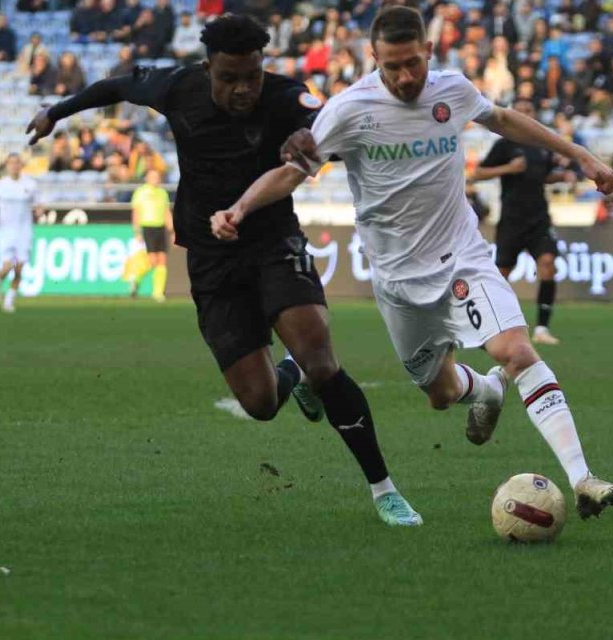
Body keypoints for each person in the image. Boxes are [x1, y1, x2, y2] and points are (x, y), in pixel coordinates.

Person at [214, 6, 613, 519]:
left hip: (462, 259)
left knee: (516, 350)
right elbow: (291, 173)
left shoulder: (451, 89)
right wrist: (240, 208)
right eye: (394, 67)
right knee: (441, 392)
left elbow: (500, 118)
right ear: (374, 59)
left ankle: (582, 478)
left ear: (429, 51)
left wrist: (581, 155)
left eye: (414, 63)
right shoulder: (349, 110)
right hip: (397, 283)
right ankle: (485, 390)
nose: (407, 77)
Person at [26, 14, 419, 527]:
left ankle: (384, 490)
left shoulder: (285, 96)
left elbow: (325, 123)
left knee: (321, 355)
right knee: (259, 402)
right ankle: (290, 373)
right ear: (208, 67)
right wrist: (56, 111)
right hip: (210, 256)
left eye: (252, 76)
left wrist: (310, 136)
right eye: (229, 77)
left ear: (263, 66)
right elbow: (118, 84)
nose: (242, 89)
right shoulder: (176, 86)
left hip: (273, 238)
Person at [469, 97, 571, 346]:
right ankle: (487, 327)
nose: (525, 114)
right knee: (501, 275)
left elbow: (543, 176)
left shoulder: (543, 146)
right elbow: (478, 174)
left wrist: (559, 177)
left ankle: (542, 328)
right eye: (520, 111)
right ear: (513, 114)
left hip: (539, 219)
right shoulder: (504, 146)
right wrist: (508, 169)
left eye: (529, 110)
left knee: (548, 264)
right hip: (512, 220)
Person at [0, 155, 42, 313]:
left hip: (24, 231)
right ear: (7, 166)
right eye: (11, 163)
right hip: (6, 231)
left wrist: (39, 210)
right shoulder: (0, 185)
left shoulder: (30, 184)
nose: (14, 166)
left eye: (17, 163)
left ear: (21, 165)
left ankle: (9, 301)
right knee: (6, 266)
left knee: (19, 268)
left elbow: (39, 203)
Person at [128, 169, 172, 302]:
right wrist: (137, 231)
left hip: (161, 228)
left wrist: (172, 230)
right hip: (147, 227)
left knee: (162, 260)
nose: (155, 179)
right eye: (152, 176)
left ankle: (157, 293)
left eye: (157, 176)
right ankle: (135, 279)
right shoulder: (140, 192)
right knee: (152, 261)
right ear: (147, 178)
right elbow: (136, 212)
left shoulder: (163, 193)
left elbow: (166, 212)